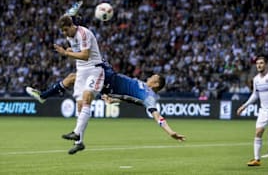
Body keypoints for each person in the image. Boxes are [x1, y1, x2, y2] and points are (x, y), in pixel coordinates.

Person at [27, 62, 186, 146]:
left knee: (91, 64)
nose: (150, 76)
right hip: (110, 82)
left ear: (156, 84)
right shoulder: (143, 87)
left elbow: (156, 114)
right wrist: (114, 99)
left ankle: (44, 96)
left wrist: (170, 132)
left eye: (153, 77)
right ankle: (78, 140)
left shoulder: (150, 96)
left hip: (109, 81)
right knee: (73, 78)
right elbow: (128, 97)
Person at [27, 1, 105, 155]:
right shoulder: (70, 33)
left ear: (71, 26)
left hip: (94, 69)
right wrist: (75, 7)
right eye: (62, 31)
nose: (64, 34)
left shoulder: (83, 33)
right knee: (80, 105)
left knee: (87, 96)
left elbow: (85, 55)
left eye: (65, 30)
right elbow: (68, 18)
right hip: (82, 70)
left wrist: (66, 53)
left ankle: (75, 132)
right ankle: (79, 142)